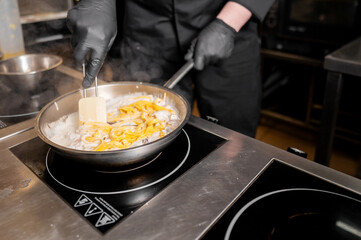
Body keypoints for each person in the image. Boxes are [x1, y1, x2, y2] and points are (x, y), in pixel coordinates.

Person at [67, 0, 275, 137]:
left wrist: (229, 23)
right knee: (153, 137)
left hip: (229, 21)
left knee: (233, 133)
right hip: (146, 24)